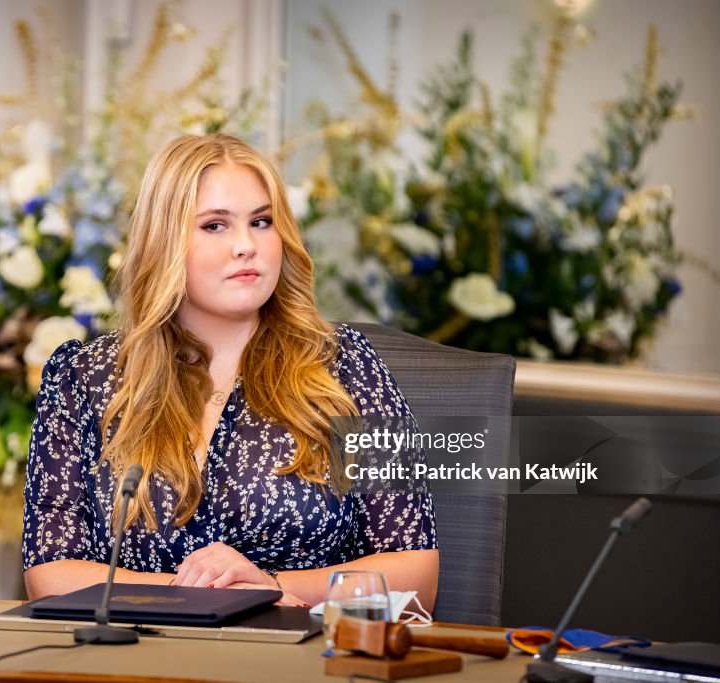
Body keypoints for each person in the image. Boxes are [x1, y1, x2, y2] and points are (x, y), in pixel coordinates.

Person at [22, 133, 438, 608]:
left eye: (262, 222)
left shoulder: (344, 367)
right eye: (215, 226)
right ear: (165, 242)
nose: (246, 245)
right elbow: (50, 575)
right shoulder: (84, 378)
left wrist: (271, 587)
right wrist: (222, 595)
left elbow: (415, 573)